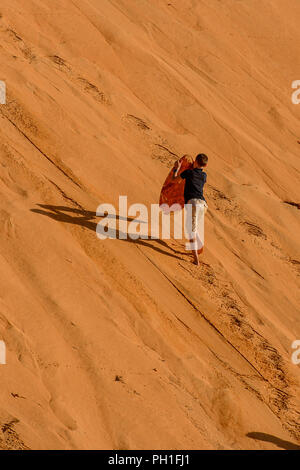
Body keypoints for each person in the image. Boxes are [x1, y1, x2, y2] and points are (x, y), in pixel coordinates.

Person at [173, 153, 208, 265]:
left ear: (195, 162)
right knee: (193, 227)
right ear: (205, 166)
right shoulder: (204, 176)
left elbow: (175, 179)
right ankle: (200, 244)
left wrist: (177, 168)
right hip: (203, 205)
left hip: (193, 204)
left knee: (190, 231)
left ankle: (196, 260)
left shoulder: (189, 173)